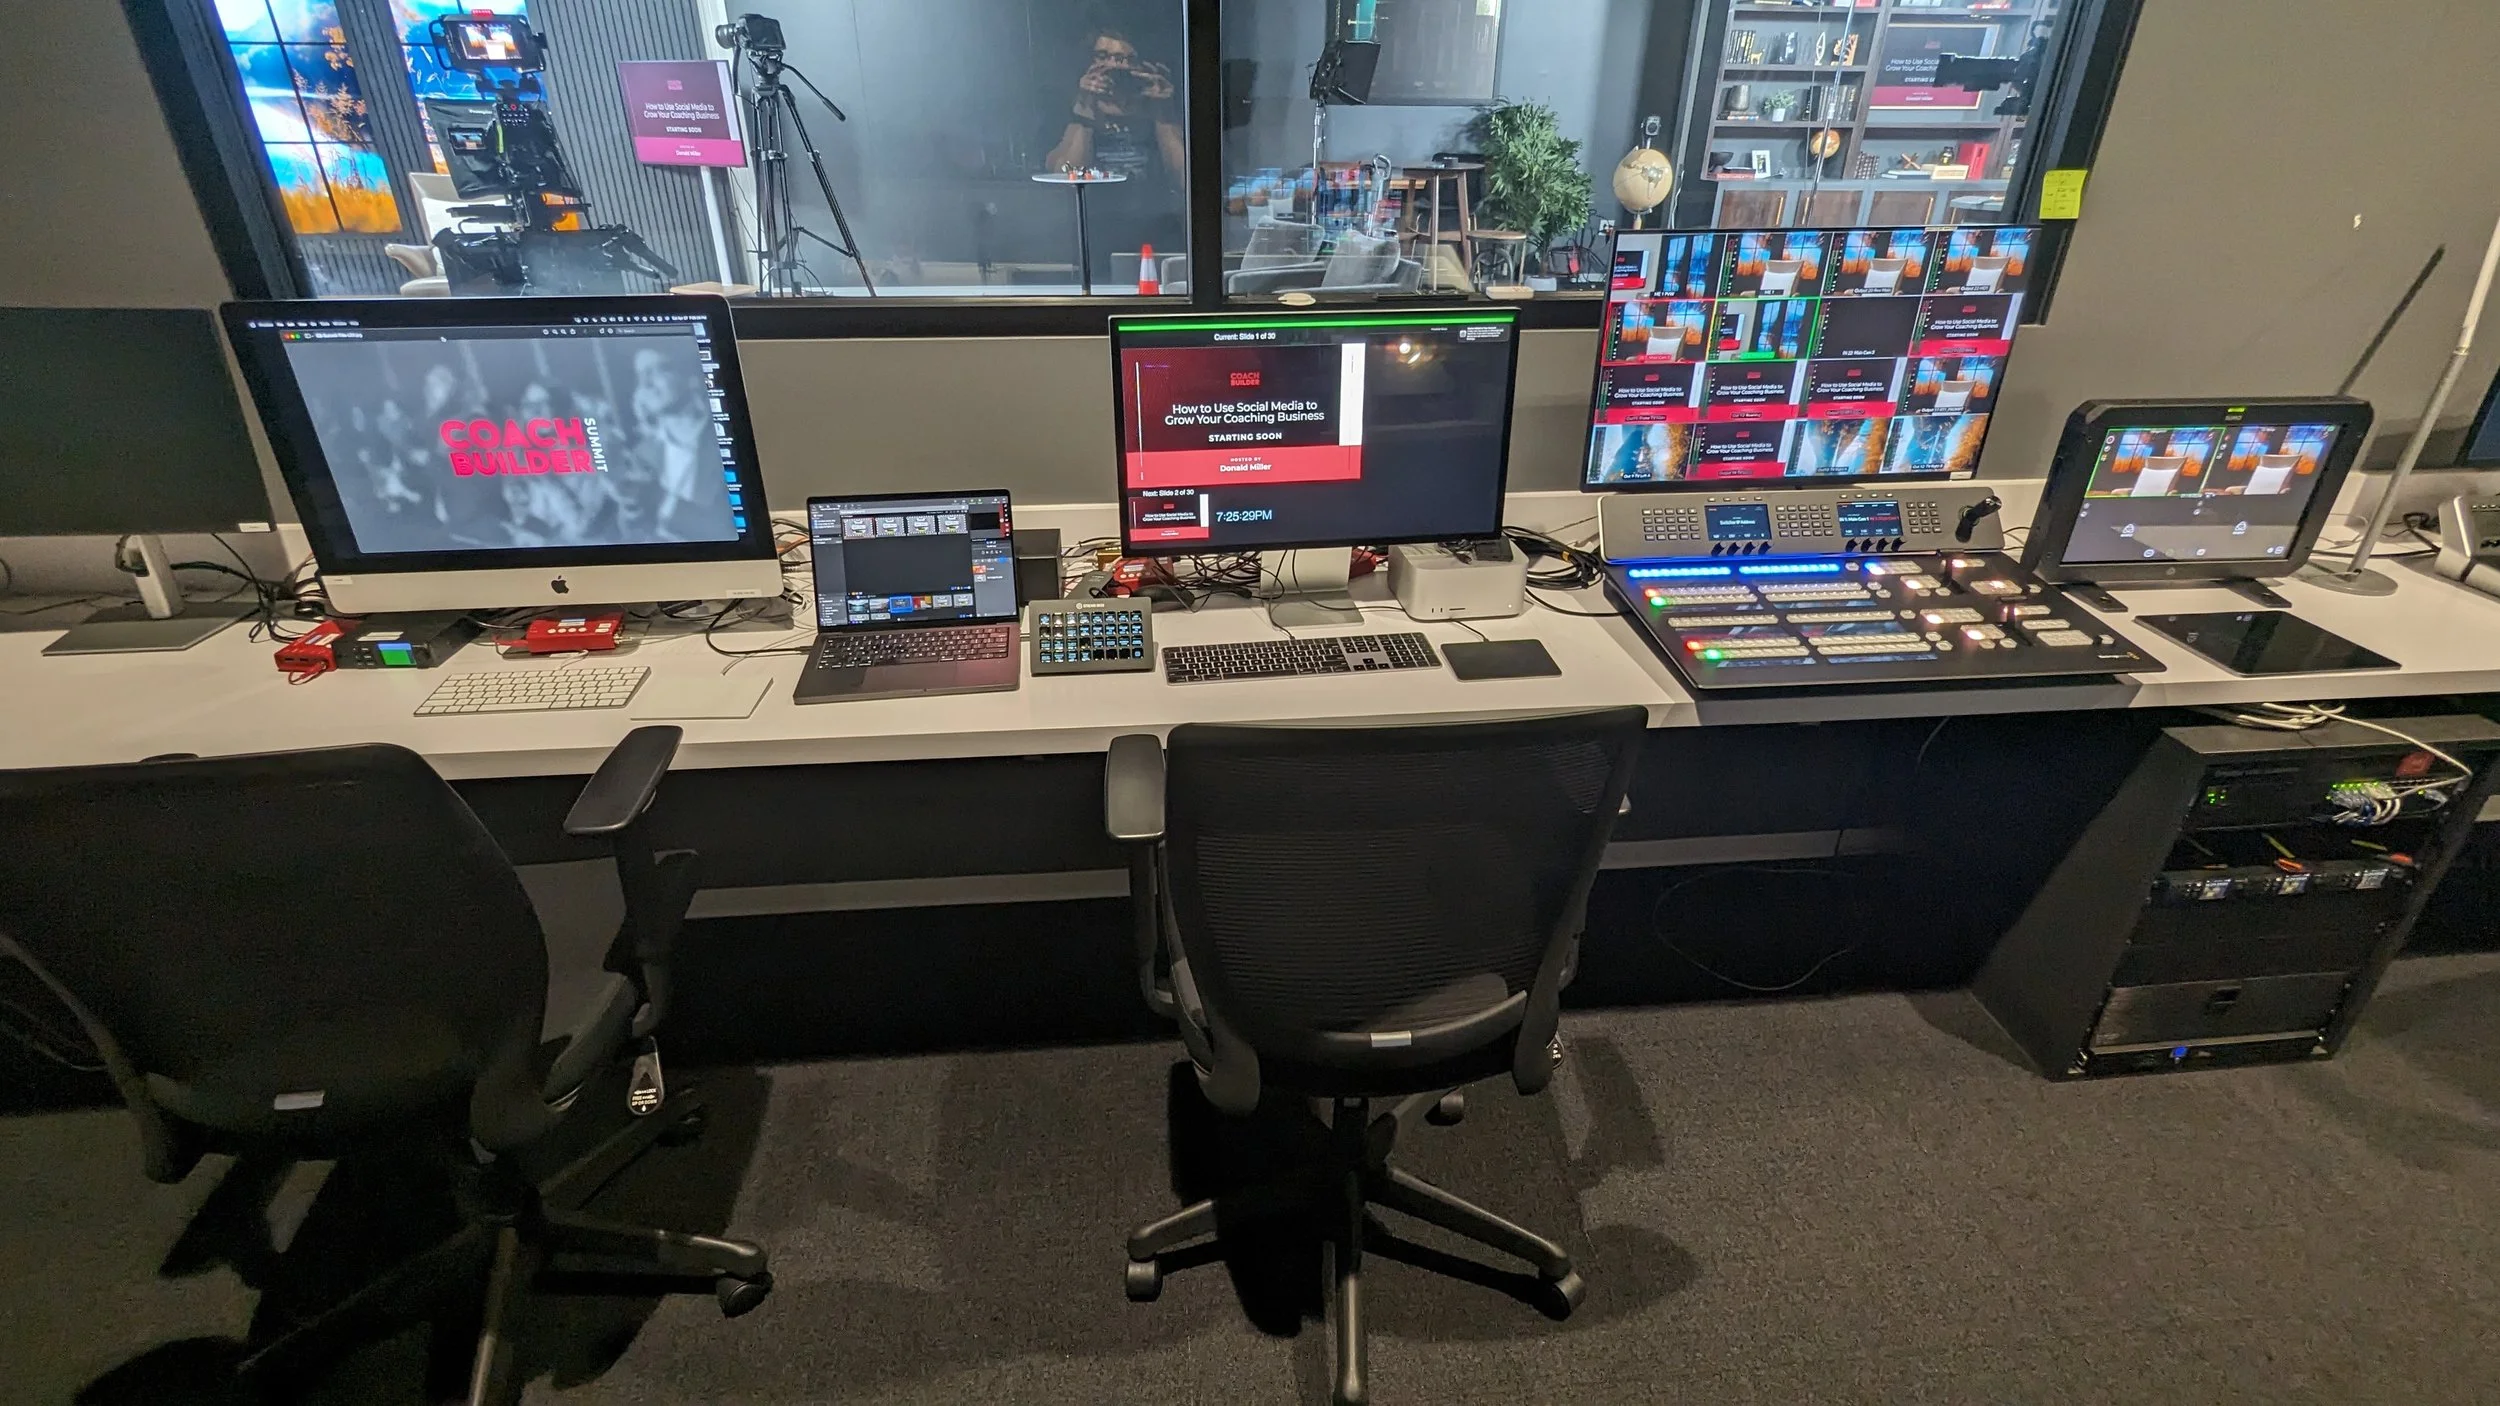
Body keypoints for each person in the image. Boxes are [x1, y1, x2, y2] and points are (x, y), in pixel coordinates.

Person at [1045, 26, 1184, 286]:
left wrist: (1163, 112)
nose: (1113, 67)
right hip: (1093, 243)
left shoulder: (1161, 113)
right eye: (1102, 57)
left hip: (1159, 240)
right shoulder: (1074, 112)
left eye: (1126, 61)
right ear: (1087, 64)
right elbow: (1065, 177)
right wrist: (1086, 108)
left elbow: (1189, 182)